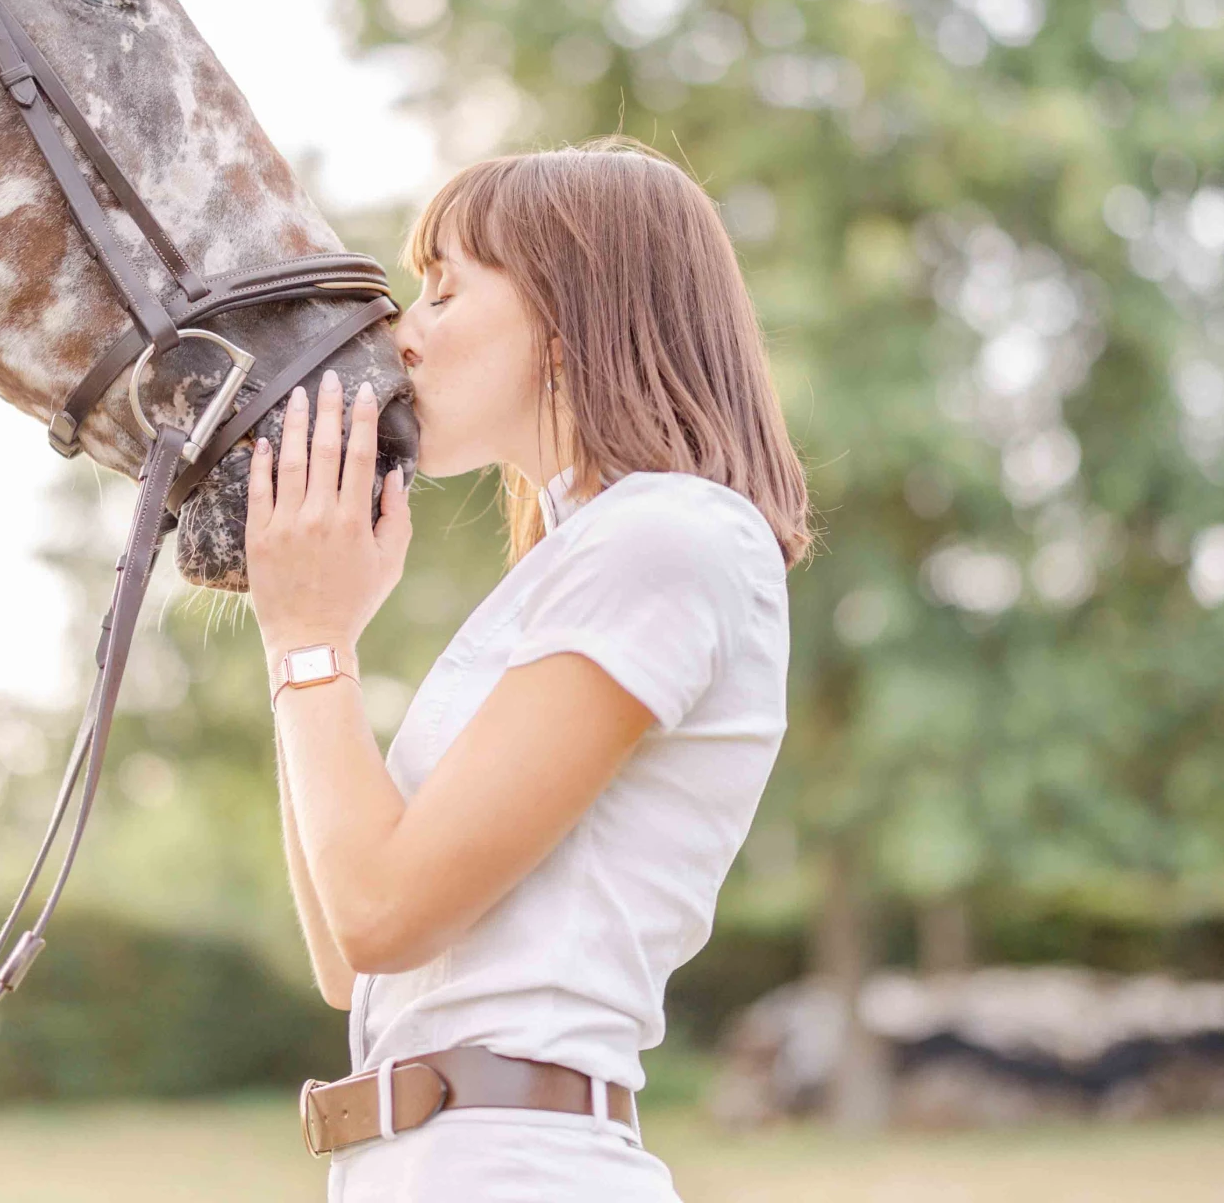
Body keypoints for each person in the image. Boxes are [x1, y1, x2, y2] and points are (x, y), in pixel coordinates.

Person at [243, 139, 811, 1201]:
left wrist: (309, 637)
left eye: (444, 290)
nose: (402, 337)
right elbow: (351, 958)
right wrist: (312, 642)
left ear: (569, 314)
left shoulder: (669, 535)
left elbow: (378, 913)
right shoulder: (571, 565)